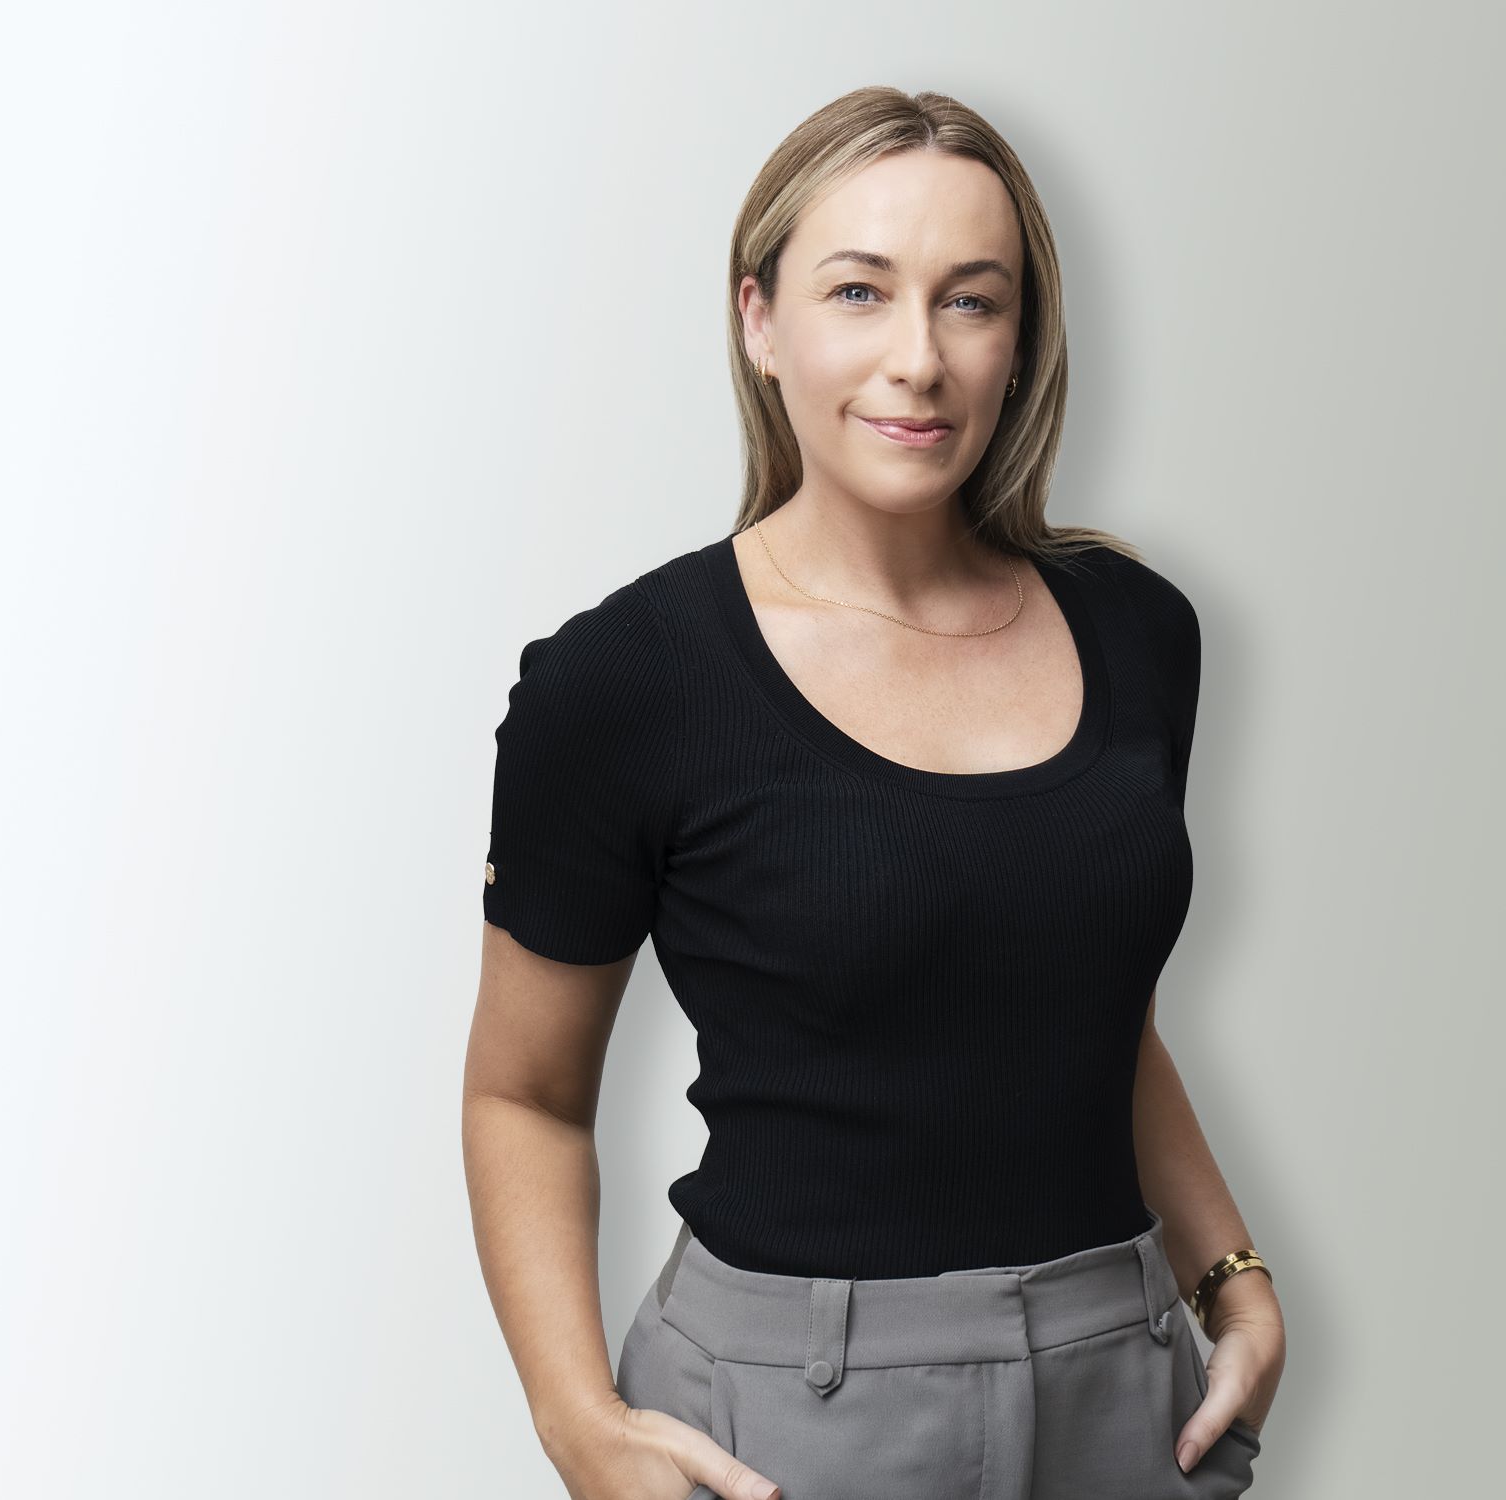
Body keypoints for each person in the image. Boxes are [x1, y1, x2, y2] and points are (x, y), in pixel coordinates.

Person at [463, 84, 1286, 1500]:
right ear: (759, 320)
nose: (920, 359)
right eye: (859, 291)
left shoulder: (1140, 629)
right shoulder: (624, 684)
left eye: (972, 301)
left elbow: (1091, 1012)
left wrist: (1233, 1275)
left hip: (1122, 1384)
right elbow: (523, 1093)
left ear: (1022, 340)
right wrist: (573, 1417)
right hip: (792, 1415)